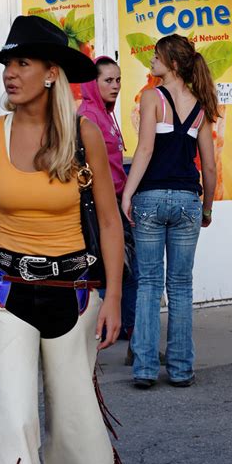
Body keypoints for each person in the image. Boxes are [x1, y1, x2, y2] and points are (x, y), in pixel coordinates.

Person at [0, 16, 126, 464]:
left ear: (51, 73)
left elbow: (110, 222)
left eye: (22, 62)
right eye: (7, 62)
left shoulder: (83, 135)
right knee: (10, 418)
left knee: (78, 429)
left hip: (74, 292)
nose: (10, 72)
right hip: (6, 293)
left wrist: (112, 298)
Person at [121, 34, 217, 389]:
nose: (151, 61)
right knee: (180, 286)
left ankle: (145, 369)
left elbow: (144, 150)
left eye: (157, 56)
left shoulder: (152, 97)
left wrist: (127, 194)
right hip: (188, 200)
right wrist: (206, 208)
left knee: (148, 284)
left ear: (173, 63)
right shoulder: (200, 105)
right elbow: (209, 166)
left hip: (150, 197)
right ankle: (180, 369)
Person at [79, 57, 138, 358]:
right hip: (99, 202)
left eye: (118, 80)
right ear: (93, 83)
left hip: (116, 197)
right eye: (108, 81)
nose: (115, 86)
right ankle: (102, 329)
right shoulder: (88, 116)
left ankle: (129, 331)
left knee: (127, 268)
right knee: (108, 267)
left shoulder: (105, 114)